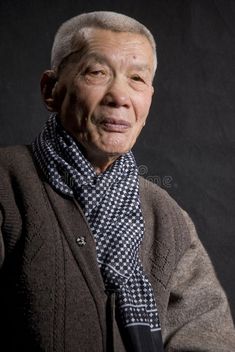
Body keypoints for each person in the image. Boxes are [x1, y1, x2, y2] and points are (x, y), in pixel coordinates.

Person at [0, 11, 234, 352]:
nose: (120, 96)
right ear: (51, 90)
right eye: (97, 72)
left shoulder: (167, 218)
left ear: (149, 100)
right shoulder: (7, 185)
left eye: (137, 79)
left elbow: (205, 336)